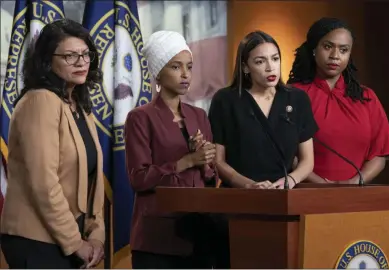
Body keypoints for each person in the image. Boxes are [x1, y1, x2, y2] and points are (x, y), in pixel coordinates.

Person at [0, 19, 105, 268]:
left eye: (85, 54)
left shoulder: (78, 105)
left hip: (68, 237)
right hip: (37, 240)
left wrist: (97, 235)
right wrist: (75, 242)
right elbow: (43, 183)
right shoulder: (40, 101)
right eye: (70, 56)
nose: (81, 62)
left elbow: (93, 181)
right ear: (47, 61)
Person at [124, 30, 220, 269]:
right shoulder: (140, 118)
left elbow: (211, 177)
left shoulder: (198, 116)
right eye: (176, 67)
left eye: (189, 67)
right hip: (158, 238)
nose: (185, 75)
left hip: (199, 233)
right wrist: (186, 161)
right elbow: (139, 179)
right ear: (158, 72)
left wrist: (206, 161)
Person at [288, 17, 389, 184]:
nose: (335, 56)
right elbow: (287, 153)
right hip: (305, 193)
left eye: (343, 50)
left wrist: (354, 182)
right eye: (328, 47)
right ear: (314, 49)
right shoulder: (292, 95)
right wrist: (320, 185)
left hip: (355, 197)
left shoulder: (367, 97)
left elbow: (379, 153)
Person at [208, 30, 317, 190]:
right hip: (238, 197)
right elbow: (218, 161)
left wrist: (290, 181)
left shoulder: (297, 99)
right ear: (245, 67)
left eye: (275, 59)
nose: (270, 67)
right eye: (260, 62)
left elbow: (307, 161)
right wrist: (249, 185)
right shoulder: (225, 100)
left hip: (286, 197)